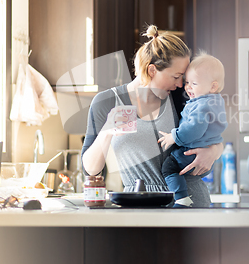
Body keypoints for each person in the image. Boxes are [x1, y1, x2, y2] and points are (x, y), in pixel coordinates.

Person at [81, 25, 223, 207]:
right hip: (139, 207)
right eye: (176, 76)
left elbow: (215, 131)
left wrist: (214, 151)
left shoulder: (181, 97)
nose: (182, 84)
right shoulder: (107, 102)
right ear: (152, 71)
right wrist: (107, 132)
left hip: (190, 204)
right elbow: (91, 170)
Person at [158, 52, 227, 207]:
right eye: (186, 81)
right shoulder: (215, 102)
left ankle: (182, 199)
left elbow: (193, 130)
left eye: (193, 84)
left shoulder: (201, 105)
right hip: (200, 156)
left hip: (191, 154)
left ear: (213, 86)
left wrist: (173, 137)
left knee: (169, 167)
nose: (186, 87)